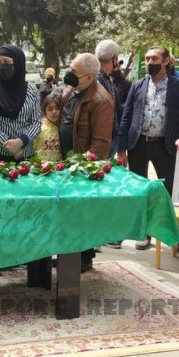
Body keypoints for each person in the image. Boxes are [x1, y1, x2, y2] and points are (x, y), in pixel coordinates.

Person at [116, 46, 179, 255]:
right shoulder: (138, 85)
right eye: (148, 58)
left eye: (155, 58)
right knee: (140, 191)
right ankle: (143, 234)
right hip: (138, 144)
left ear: (166, 60)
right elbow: (126, 116)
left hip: (165, 146)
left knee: (168, 193)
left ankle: (177, 236)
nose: (150, 62)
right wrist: (121, 147)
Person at [60, 53, 115, 271]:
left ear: (89, 77)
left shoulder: (100, 101)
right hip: (65, 163)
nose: (69, 74)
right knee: (68, 214)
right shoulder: (72, 90)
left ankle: (83, 258)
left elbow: (100, 144)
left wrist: (79, 168)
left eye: (74, 72)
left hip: (80, 168)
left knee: (81, 215)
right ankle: (70, 253)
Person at [0, 45, 41, 162]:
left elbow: (36, 123)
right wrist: (8, 144)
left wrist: (20, 141)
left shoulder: (31, 90)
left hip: (22, 154)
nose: (2, 66)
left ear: (18, 63)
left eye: (6, 61)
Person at [95, 39, 121, 156]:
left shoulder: (104, 78)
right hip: (103, 140)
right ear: (114, 58)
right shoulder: (98, 80)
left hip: (108, 137)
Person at [33, 91, 62, 161]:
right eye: (50, 109)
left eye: (58, 108)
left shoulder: (65, 127)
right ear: (45, 111)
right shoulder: (38, 128)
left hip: (59, 168)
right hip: (40, 168)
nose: (54, 112)